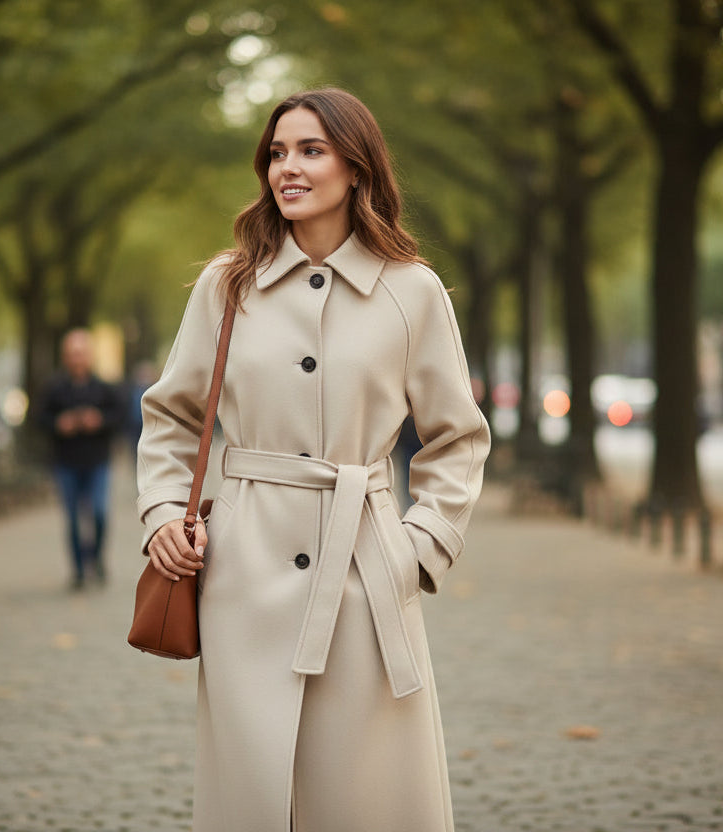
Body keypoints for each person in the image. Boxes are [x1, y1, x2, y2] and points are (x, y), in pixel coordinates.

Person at [137, 88, 491, 832]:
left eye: (310, 150)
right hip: (244, 571)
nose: (286, 168)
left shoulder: (412, 292)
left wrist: (416, 548)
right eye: (276, 153)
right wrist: (164, 513)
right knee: (253, 788)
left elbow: (457, 438)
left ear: (356, 168)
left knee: (364, 791)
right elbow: (172, 415)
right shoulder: (228, 285)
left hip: (364, 564)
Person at [39, 328, 121, 590]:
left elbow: (119, 418)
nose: (77, 359)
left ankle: (95, 558)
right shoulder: (54, 388)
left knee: (98, 512)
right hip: (66, 463)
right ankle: (77, 570)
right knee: (73, 518)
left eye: (81, 353)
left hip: (98, 461)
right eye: (72, 354)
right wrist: (58, 424)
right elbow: (38, 419)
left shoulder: (104, 388)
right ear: (65, 357)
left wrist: (99, 421)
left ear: (90, 356)